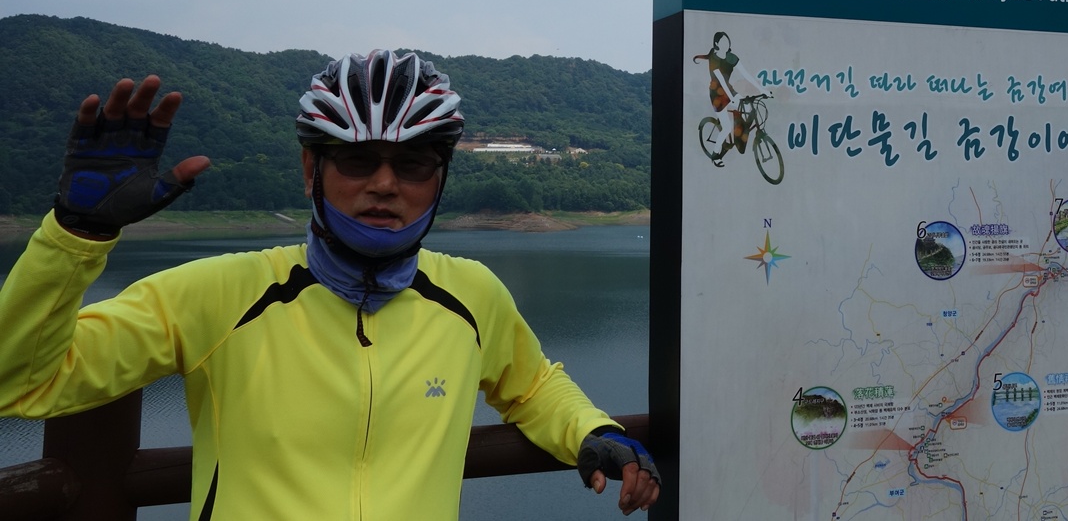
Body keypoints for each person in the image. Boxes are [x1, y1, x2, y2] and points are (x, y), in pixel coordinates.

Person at [0, 51, 660, 519]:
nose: (384, 183)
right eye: (356, 160)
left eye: (413, 164)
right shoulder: (217, 295)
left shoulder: (470, 294)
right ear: (310, 169)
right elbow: (24, 382)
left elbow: (531, 385)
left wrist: (590, 430)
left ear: (440, 179)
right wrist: (76, 235)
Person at [691, 31, 769, 166]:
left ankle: (738, 136)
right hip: (717, 95)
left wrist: (762, 90)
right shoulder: (714, 59)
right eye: (723, 42)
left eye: (727, 42)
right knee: (726, 127)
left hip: (729, 89)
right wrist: (731, 98)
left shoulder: (731, 57)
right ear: (716, 44)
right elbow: (721, 79)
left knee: (749, 107)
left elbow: (746, 74)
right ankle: (716, 155)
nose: (726, 44)